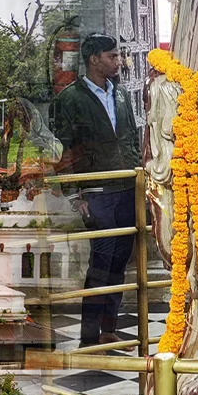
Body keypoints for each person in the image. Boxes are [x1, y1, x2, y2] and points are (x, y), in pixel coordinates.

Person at [52, 34, 142, 346]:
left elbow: (131, 138)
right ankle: (89, 336)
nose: (119, 62)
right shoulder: (69, 99)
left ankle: (109, 327)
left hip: (128, 188)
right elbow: (61, 150)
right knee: (101, 262)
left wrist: (139, 177)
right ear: (95, 59)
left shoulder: (121, 95)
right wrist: (75, 196)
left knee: (121, 260)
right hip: (97, 192)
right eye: (113, 57)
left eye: (119, 57)